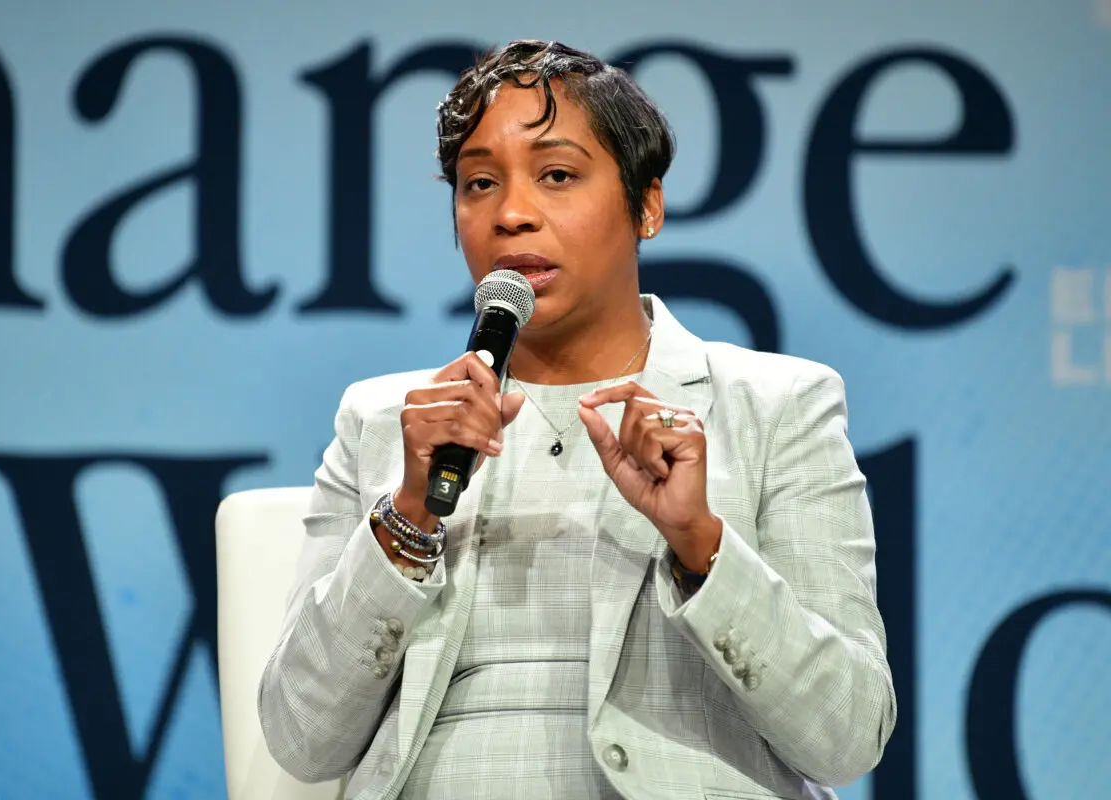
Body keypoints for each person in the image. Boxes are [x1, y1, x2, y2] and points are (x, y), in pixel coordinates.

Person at [258, 39, 896, 800]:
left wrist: (702, 544)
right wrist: (405, 518)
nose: (512, 215)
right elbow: (301, 738)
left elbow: (849, 735)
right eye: (479, 184)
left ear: (646, 204)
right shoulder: (387, 422)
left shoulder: (775, 405)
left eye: (557, 175)